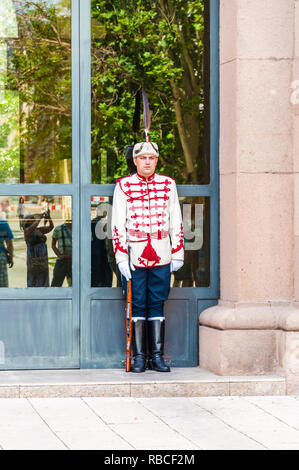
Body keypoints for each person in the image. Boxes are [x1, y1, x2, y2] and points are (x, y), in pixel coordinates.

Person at [111, 141, 184, 373]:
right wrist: (121, 257)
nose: (147, 162)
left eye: (152, 158)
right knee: (138, 304)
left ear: (157, 160)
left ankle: (156, 356)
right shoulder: (123, 186)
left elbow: (176, 221)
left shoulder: (168, 184)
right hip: (135, 254)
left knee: (157, 303)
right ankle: (140, 357)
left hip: (162, 253)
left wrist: (177, 253)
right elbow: (117, 224)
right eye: (143, 158)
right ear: (135, 161)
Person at [24, 210, 54, 287]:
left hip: (42, 257)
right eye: (31, 220)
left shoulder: (39, 230)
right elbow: (34, 226)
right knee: (34, 276)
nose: (33, 221)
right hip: (33, 258)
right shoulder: (27, 231)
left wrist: (49, 217)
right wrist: (40, 217)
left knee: (43, 275)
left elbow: (51, 227)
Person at [51, 219, 72, 287]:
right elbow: (53, 245)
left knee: (74, 285)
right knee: (56, 285)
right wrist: (59, 255)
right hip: (62, 261)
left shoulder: (79, 228)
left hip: (74, 261)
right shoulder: (58, 229)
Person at [0, 218, 14, 287]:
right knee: (3, 286)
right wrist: (11, 258)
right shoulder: (3, 225)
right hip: (1, 257)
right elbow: (9, 244)